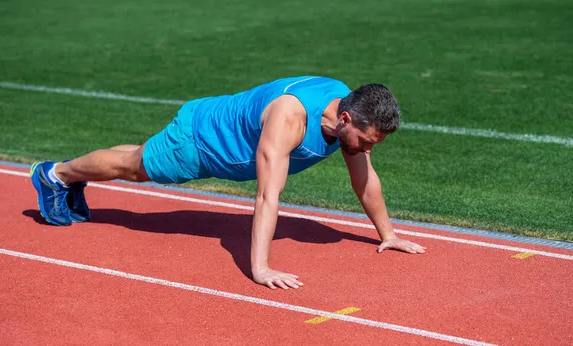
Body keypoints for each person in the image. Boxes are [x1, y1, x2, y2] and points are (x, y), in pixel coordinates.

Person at [30, 76, 426, 289]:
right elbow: (268, 195)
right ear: (345, 121)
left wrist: (387, 234)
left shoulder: (346, 113)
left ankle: (70, 176)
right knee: (135, 166)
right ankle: (56, 175)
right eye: (368, 139)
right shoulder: (291, 118)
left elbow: (365, 181)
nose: (368, 148)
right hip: (200, 141)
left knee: (135, 157)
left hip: (215, 136)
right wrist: (262, 268)